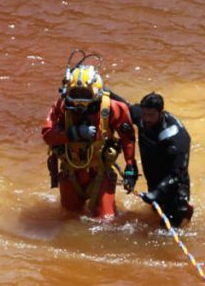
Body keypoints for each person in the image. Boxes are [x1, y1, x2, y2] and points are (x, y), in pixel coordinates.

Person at [42, 61, 138, 219]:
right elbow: (47, 135)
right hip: (70, 173)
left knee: (106, 223)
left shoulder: (113, 108)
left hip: (100, 174)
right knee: (69, 221)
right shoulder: (60, 108)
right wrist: (74, 133)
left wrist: (130, 168)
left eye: (85, 94)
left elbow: (128, 137)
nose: (80, 101)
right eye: (75, 94)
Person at [128, 92, 194, 227]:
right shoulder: (141, 117)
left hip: (174, 182)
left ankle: (185, 210)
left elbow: (177, 173)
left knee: (166, 232)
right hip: (154, 176)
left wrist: (157, 193)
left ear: (161, 113)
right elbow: (120, 104)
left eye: (151, 115)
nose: (147, 119)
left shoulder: (177, 137)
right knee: (155, 214)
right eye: (144, 114)